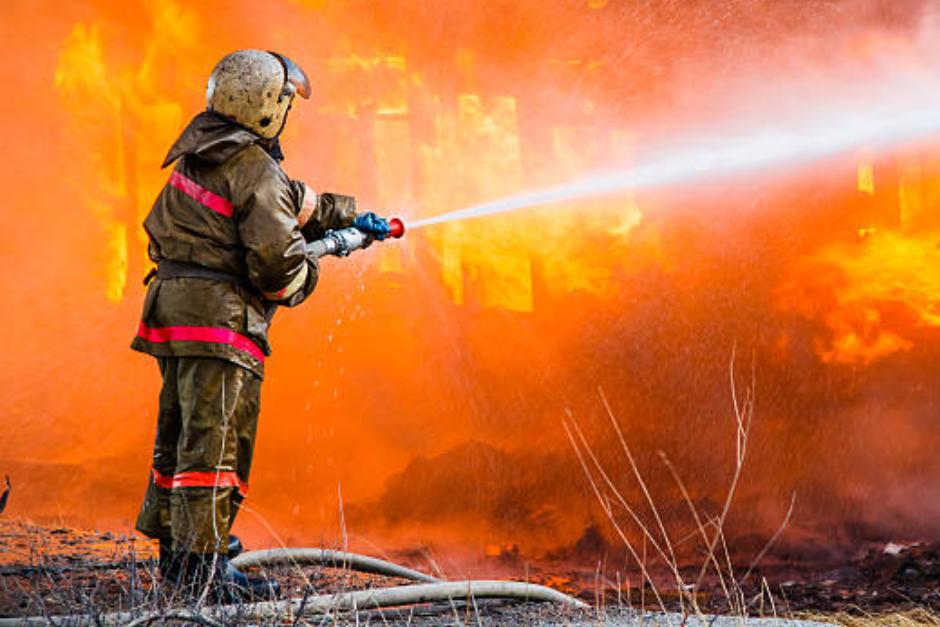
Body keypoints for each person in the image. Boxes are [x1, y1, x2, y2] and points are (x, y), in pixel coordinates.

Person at [130, 49, 391, 599]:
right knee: (216, 446)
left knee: (180, 440)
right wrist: (312, 266)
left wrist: (347, 216)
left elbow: (288, 202)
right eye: (286, 104)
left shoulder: (204, 154)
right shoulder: (252, 168)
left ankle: (179, 557)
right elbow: (277, 266)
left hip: (174, 315)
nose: (289, 113)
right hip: (218, 325)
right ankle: (203, 574)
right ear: (265, 107)